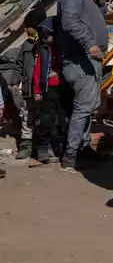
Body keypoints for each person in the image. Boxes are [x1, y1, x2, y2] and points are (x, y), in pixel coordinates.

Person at [57, 0, 109, 173]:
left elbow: (95, 18)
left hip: (90, 59)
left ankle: (83, 147)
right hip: (79, 59)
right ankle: (71, 155)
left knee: (89, 106)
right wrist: (90, 44)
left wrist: (101, 3)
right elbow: (70, 22)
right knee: (83, 107)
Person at [29, 18, 64, 167]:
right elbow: (37, 73)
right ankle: (42, 149)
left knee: (62, 121)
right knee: (46, 120)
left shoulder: (63, 49)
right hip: (47, 89)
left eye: (48, 34)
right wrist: (37, 91)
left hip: (62, 89)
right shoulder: (43, 50)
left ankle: (60, 149)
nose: (46, 37)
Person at [13, 7, 46, 160]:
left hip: (42, 90)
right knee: (27, 116)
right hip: (28, 89)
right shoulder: (26, 45)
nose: (25, 29)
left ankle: (41, 147)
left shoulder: (45, 45)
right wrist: (15, 82)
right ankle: (25, 146)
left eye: (28, 26)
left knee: (42, 118)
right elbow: (18, 65)